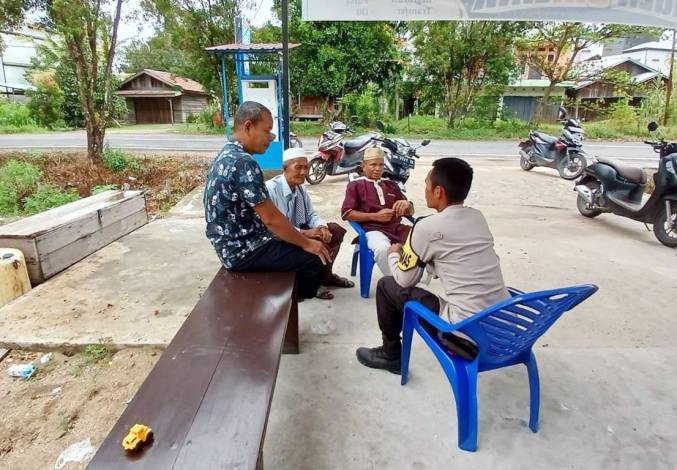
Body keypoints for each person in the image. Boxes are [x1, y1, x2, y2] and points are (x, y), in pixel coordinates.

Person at [355, 158, 510, 374]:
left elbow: (405, 280)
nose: (425, 190)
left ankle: (390, 355)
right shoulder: (477, 217)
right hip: (503, 322)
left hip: (465, 334)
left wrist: (393, 254)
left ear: (438, 191)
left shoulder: (426, 227)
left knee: (386, 286)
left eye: (427, 185)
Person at [204, 101, 331, 300]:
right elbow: (271, 219)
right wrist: (306, 242)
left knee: (303, 244)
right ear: (248, 127)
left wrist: (303, 237)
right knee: (313, 259)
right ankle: (290, 304)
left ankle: (287, 299)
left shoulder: (226, 154)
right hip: (243, 250)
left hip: (231, 244)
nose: (270, 138)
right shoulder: (244, 162)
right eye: (267, 131)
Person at [266, 148, 355, 300]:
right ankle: (313, 283)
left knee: (334, 231)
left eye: (305, 167)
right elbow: (274, 227)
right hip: (281, 238)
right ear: (285, 168)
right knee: (316, 244)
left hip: (300, 230)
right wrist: (307, 234)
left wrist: (321, 227)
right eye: (298, 167)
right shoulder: (271, 189)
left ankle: (327, 276)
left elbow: (311, 215)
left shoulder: (300, 188)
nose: (303, 172)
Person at [340, 147, 414, 276]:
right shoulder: (355, 185)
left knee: (422, 240)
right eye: (373, 164)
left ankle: (412, 278)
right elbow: (347, 213)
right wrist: (375, 216)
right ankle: (395, 282)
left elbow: (410, 212)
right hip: (372, 230)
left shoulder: (391, 184)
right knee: (382, 249)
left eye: (381, 164)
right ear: (363, 166)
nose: (378, 168)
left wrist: (407, 204)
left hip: (396, 228)